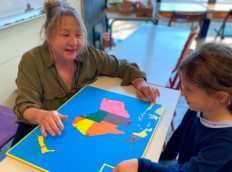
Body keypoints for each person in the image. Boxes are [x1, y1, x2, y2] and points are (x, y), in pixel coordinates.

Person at [11, 0, 160, 147]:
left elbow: (122, 66)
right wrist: (42, 115)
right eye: (65, 35)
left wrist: (141, 83)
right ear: (48, 35)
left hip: (72, 127)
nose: (74, 42)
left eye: (79, 34)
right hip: (37, 130)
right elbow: (25, 106)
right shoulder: (31, 61)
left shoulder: (88, 54)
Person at [112, 42, 232, 172]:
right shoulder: (200, 108)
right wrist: (159, 160)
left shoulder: (228, 140)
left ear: (220, 97)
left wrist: (143, 166)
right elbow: (178, 138)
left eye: (189, 89)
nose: (182, 93)